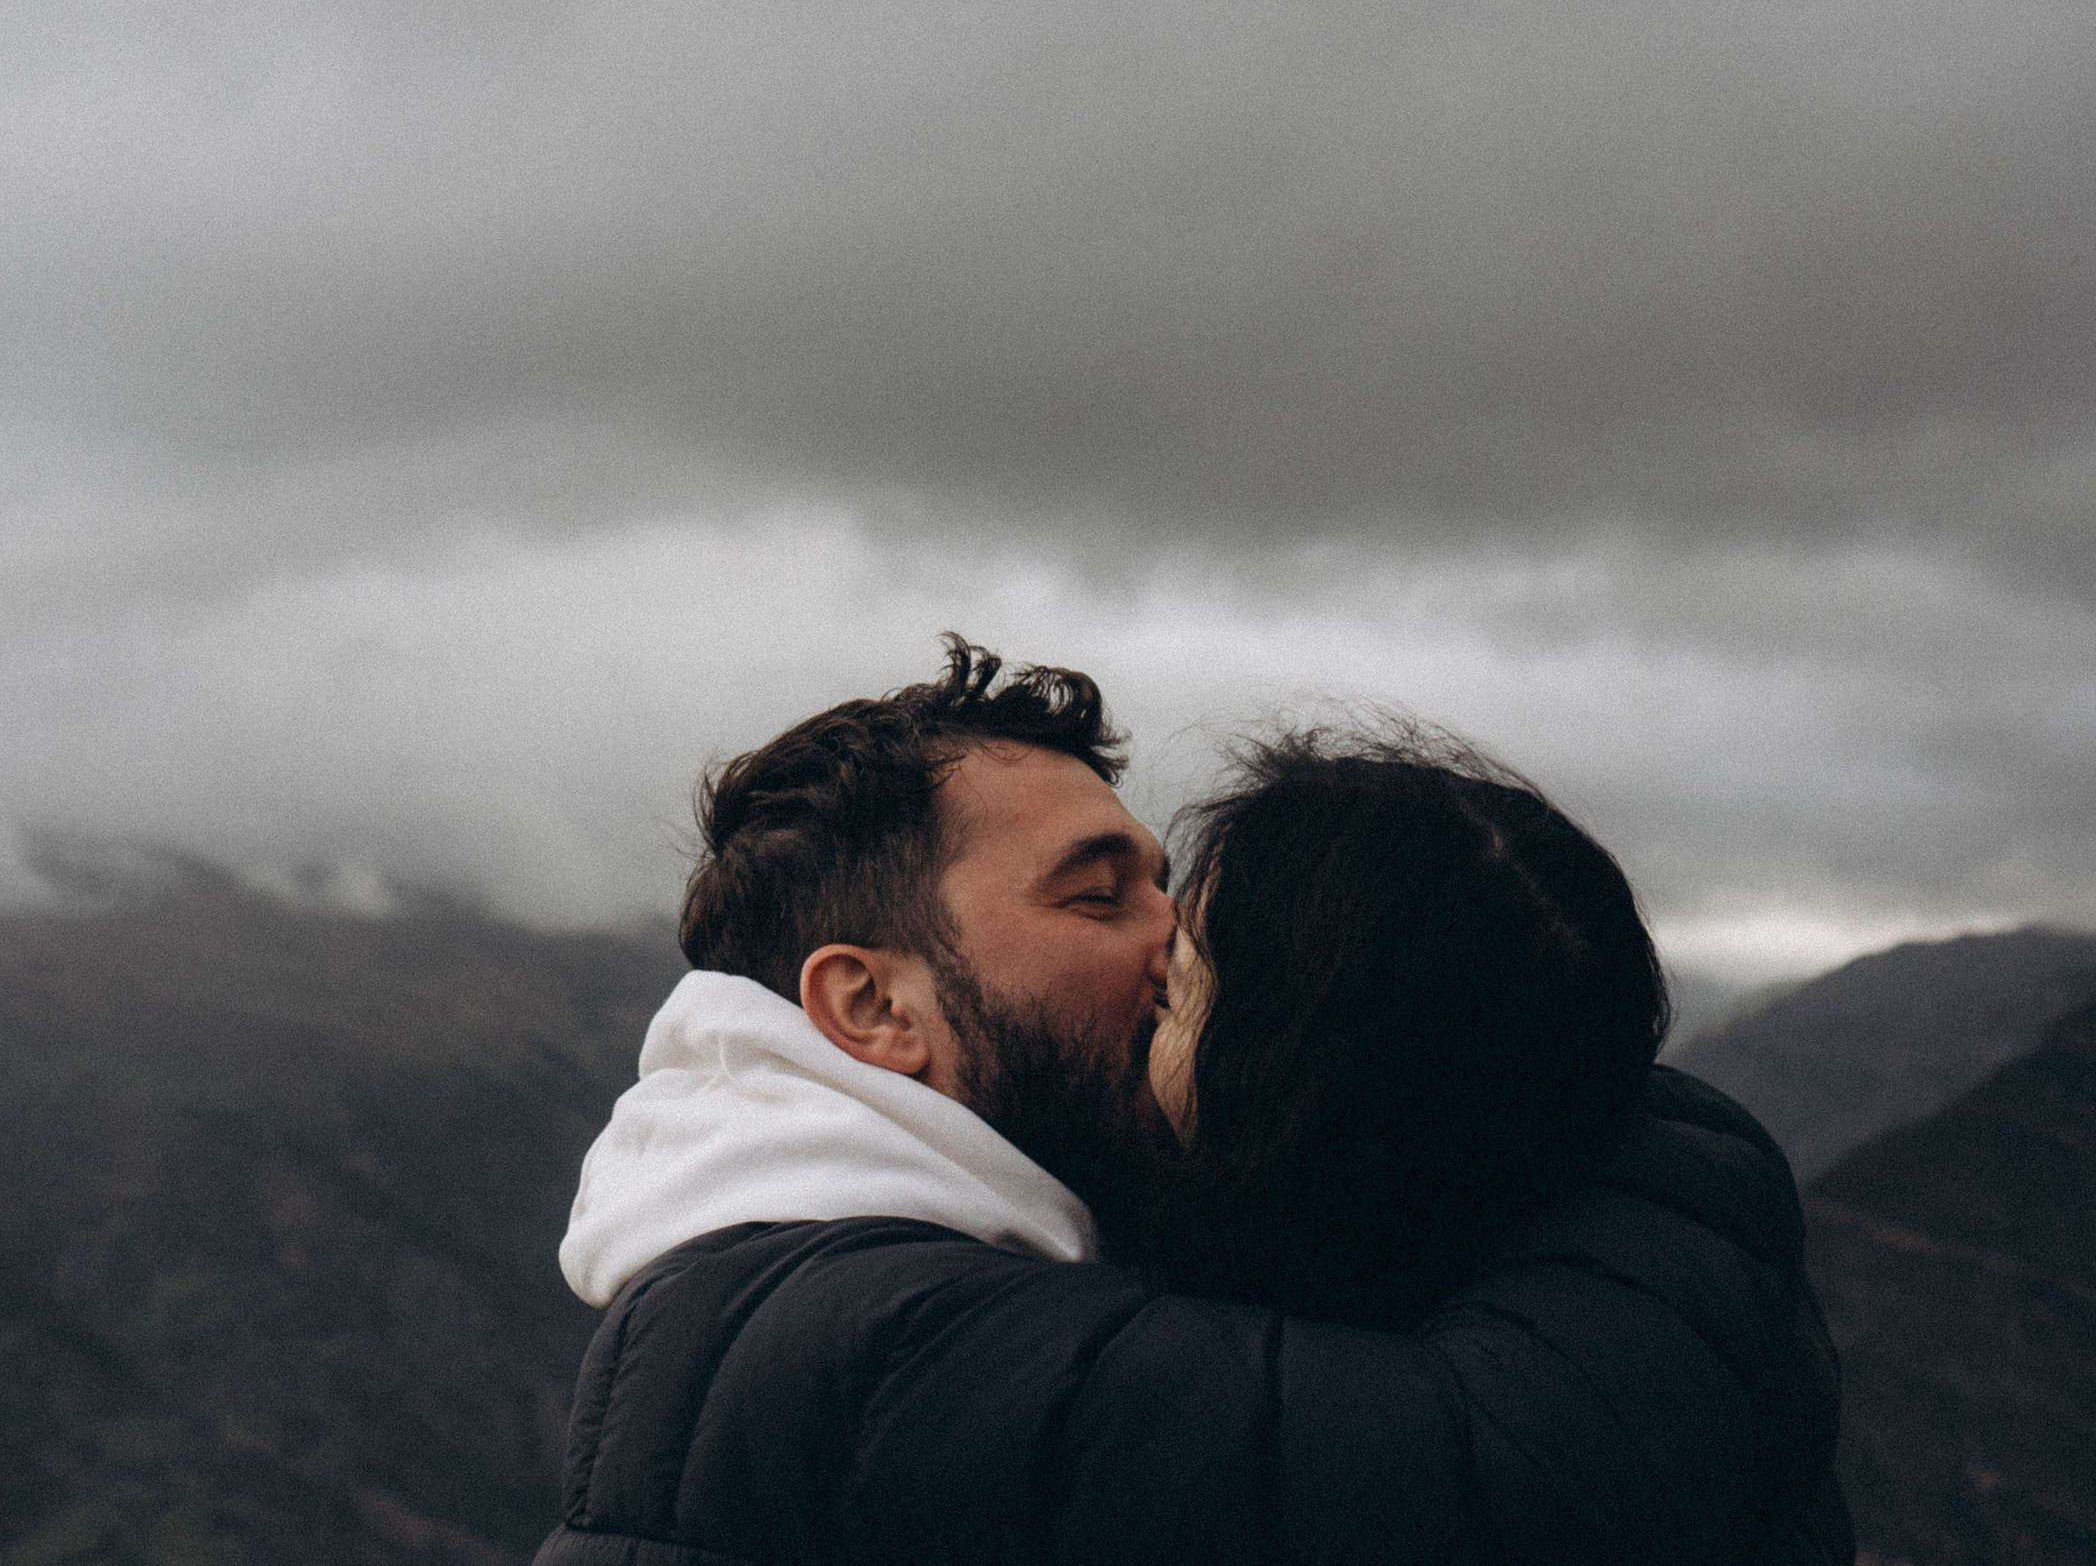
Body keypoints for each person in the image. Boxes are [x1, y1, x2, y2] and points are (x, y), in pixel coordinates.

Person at [537, 637, 1847, 1566]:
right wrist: (1574, 1079)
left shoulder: (951, 1253)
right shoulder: (873, 1335)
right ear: (875, 1006)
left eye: (1163, 884)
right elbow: (1514, 1477)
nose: (1176, 940)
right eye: (1097, 896)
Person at [1142, 728, 1850, 1550]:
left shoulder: (1433, 1445)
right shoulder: (1524, 1198)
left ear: (1284, 1077)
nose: (1145, 966)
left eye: (1180, 985)